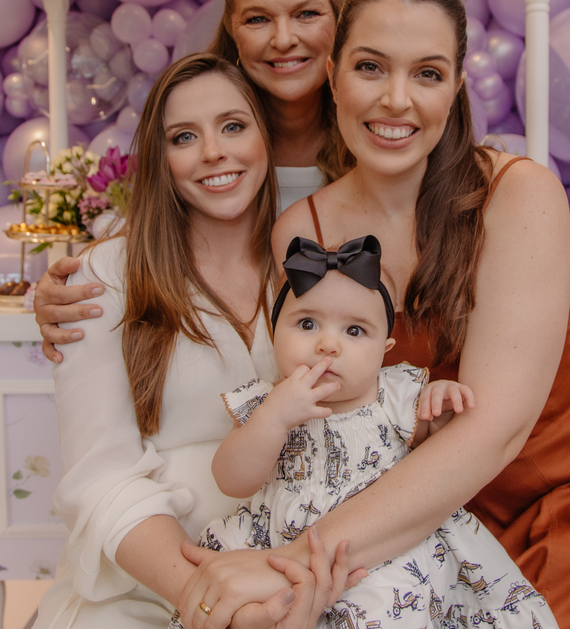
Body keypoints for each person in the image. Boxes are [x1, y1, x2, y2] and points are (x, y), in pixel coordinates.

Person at [171, 0, 570, 629]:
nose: (396, 100)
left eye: (426, 73)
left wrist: (294, 560)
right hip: (426, 513)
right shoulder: (301, 232)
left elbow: (494, 429)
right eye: (370, 67)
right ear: (333, 75)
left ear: (455, 88)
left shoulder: (517, 192)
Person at [35, 0, 570, 369]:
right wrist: (76, 286)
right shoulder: (214, 148)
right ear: (232, 29)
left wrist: (537, 302)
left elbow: (443, 252)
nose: (283, 39)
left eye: (307, 14)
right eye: (258, 19)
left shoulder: (389, 139)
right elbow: (161, 237)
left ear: (340, 24)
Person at [32, 54, 362, 629]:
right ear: (160, 158)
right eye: (184, 137)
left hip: (292, 574)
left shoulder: (315, 263)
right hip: (148, 582)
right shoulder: (104, 276)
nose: (213, 152)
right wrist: (212, 603)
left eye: (233, 126)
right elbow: (100, 478)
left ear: (266, 139)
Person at [170, 234, 560, 629]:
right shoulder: (265, 402)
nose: (328, 344)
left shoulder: (395, 395)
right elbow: (232, 480)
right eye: (307, 324)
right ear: (274, 337)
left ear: (384, 350)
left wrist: (439, 403)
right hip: (276, 545)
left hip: (380, 548)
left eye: (354, 331)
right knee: (235, 604)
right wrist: (273, 419)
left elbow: (445, 451)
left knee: (386, 607)